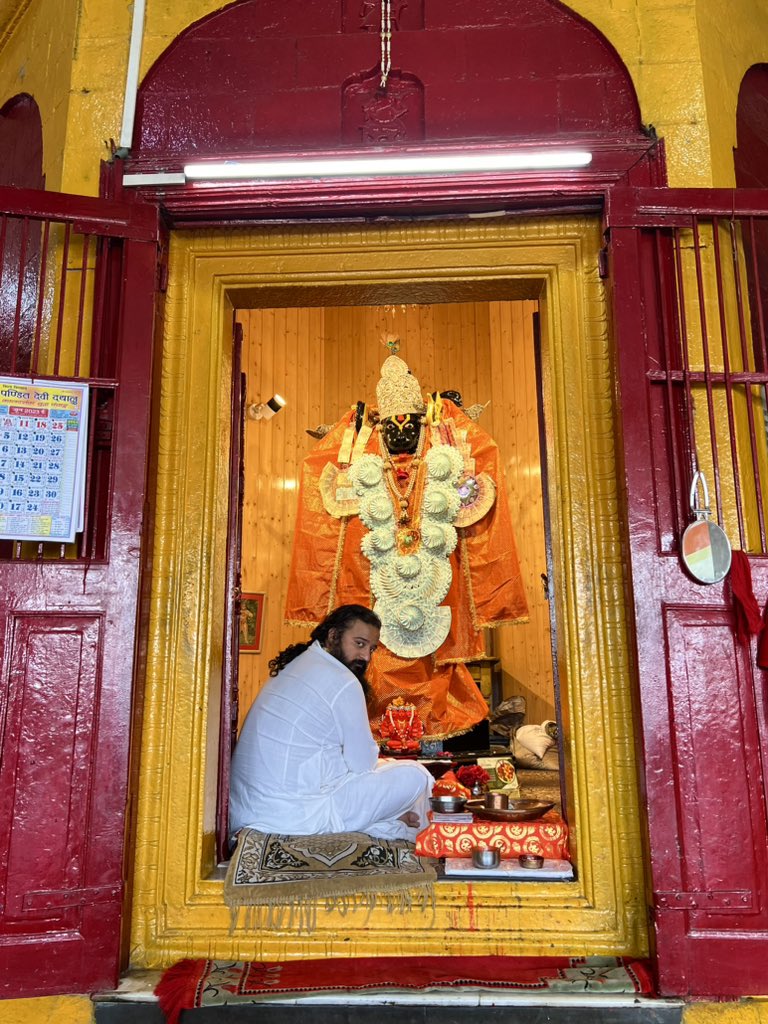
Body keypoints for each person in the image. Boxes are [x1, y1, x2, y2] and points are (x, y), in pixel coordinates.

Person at [229, 604, 434, 845]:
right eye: (359, 644)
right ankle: (421, 842)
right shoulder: (343, 680)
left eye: (371, 649)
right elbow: (362, 765)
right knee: (416, 775)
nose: (365, 657)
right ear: (333, 635)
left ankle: (390, 823)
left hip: (251, 810)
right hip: (295, 816)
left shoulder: (299, 666)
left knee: (386, 771)